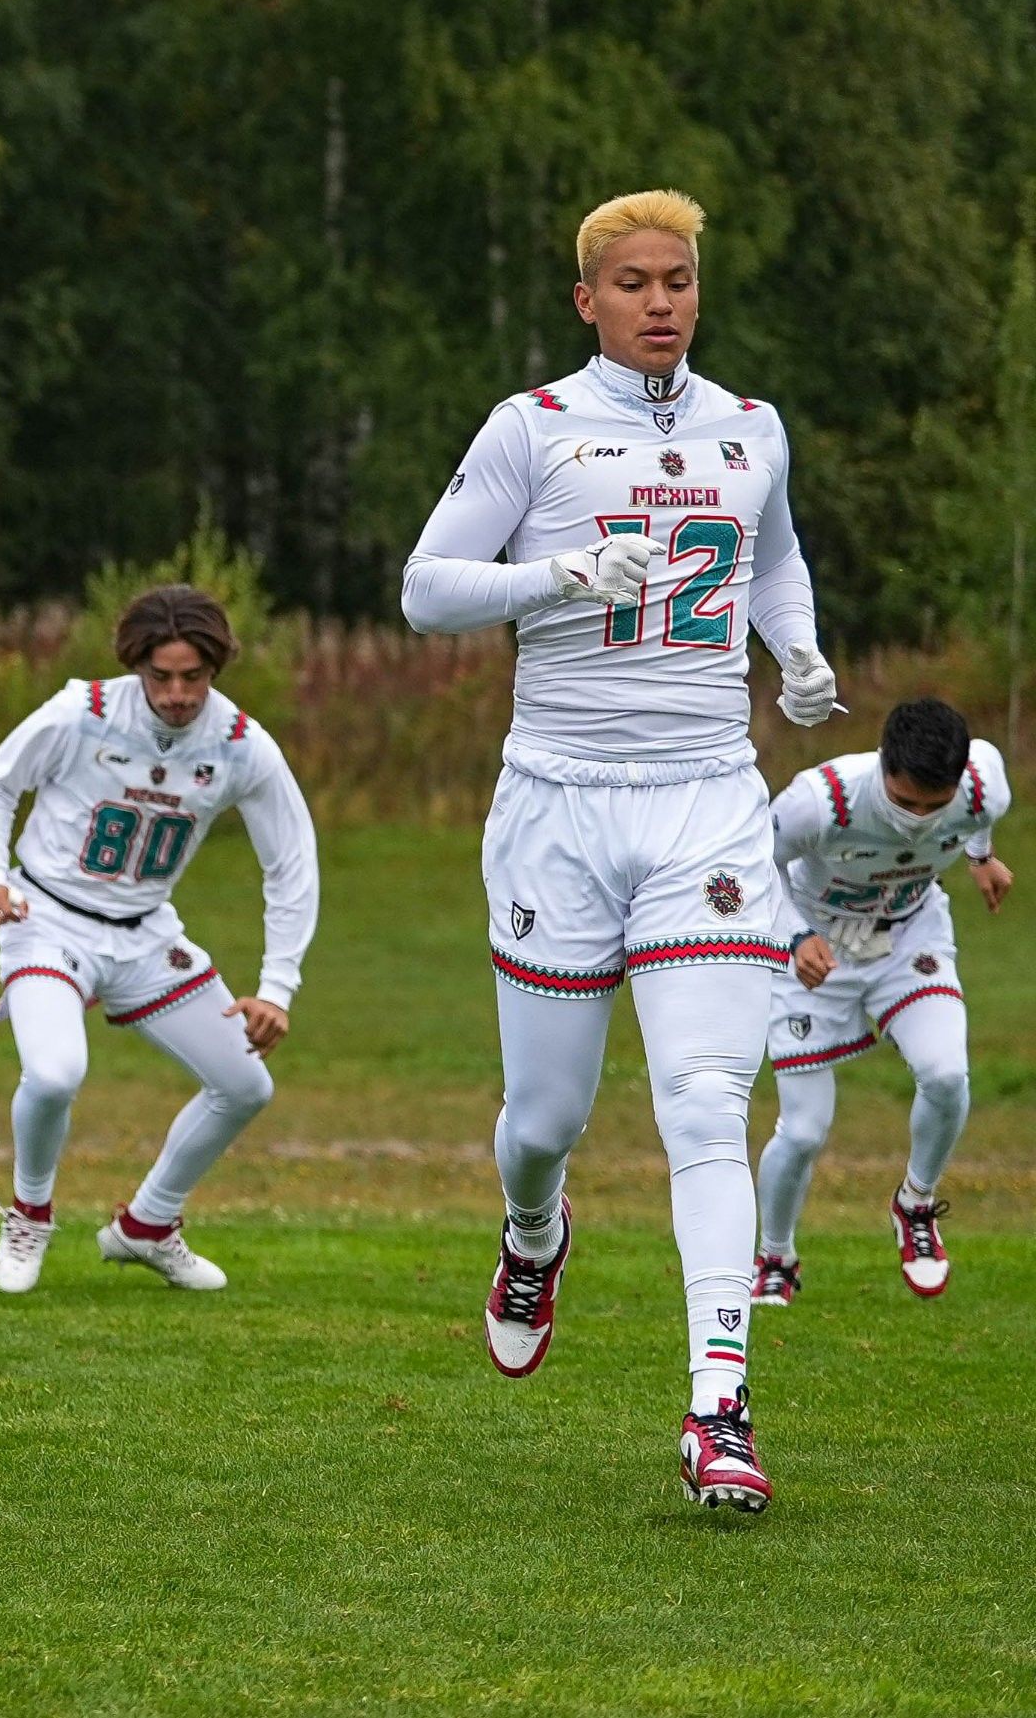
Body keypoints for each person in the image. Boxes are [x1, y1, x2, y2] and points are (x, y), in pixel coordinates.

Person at [401, 188, 836, 1516]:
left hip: (708, 799)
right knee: (546, 1123)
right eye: (635, 282)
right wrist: (555, 576)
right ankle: (535, 1231)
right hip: (558, 804)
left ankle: (719, 1407)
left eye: (681, 280)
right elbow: (425, 590)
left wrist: (798, 649)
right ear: (587, 299)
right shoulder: (532, 429)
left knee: (707, 1100)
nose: (662, 301)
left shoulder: (749, 428)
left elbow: (771, 559)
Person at [0, 586, 319, 1294]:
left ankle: (149, 1225)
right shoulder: (82, 713)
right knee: (57, 1071)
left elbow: (292, 863)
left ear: (214, 669)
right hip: (47, 918)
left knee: (246, 1083)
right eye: (162, 675)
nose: (178, 693)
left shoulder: (243, 745)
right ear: (137, 666)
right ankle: (30, 1213)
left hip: (148, 934)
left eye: (194, 676)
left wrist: (278, 985)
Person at [753, 698, 1007, 1304]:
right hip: (815, 952)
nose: (919, 820)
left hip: (908, 937)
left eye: (933, 805)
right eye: (905, 802)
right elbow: (750, 863)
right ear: (883, 766)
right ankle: (775, 1256)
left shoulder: (983, 786)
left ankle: (915, 1204)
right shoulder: (821, 800)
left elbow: (976, 819)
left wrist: (980, 857)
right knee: (805, 1130)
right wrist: (793, 936)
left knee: (947, 1074)